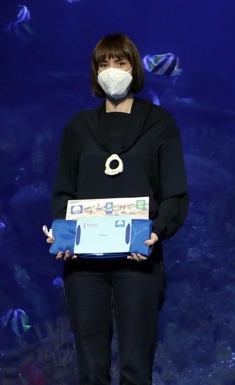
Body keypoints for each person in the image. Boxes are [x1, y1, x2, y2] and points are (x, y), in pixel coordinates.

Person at [46, 33, 189, 385]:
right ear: (95, 73)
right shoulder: (77, 128)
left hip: (138, 262)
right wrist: (61, 230)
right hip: (84, 268)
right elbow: (64, 192)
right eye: (104, 65)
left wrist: (156, 231)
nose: (112, 71)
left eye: (120, 63)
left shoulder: (160, 124)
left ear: (134, 68)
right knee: (91, 370)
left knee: (136, 368)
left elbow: (175, 195)